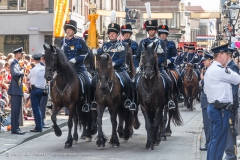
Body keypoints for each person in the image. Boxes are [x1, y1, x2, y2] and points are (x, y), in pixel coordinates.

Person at [204, 44, 240, 160]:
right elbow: (237, 79)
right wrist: (227, 68)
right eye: (226, 54)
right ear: (220, 55)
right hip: (220, 110)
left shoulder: (213, 69)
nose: (228, 57)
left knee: (216, 140)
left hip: (217, 108)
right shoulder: (219, 70)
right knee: (219, 140)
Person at [96, 21, 137, 111]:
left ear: (117, 34)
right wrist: (96, 52)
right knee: (93, 81)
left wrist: (114, 63)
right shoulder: (105, 45)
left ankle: (129, 100)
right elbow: (99, 56)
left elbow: (122, 58)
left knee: (129, 81)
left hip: (119, 69)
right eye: (110, 33)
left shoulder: (122, 45)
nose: (112, 35)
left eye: (113, 33)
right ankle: (93, 101)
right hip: (106, 70)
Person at [61, 20, 93, 112]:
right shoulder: (63, 41)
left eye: (70, 30)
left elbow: (86, 52)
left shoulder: (80, 41)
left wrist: (76, 59)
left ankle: (87, 102)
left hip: (78, 68)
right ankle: (56, 100)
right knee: (54, 81)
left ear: (74, 31)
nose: (68, 31)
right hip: (66, 69)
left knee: (88, 82)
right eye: (67, 29)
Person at [157, 25, 184, 103]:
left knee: (179, 76)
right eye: (161, 34)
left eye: (164, 34)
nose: (163, 35)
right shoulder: (155, 44)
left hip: (170, 66)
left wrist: (169, 61)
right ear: (159, 35)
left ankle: (180, 94)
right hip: (158, 66)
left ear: (167, 35)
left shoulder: (171, 44)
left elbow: (175, 55)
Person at [224, 48, 239, 160]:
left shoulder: (232, 66)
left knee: (230, 129)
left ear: (227, 55)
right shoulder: (228, 66)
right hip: (229, 103)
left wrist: (230, 102)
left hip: (231, 104)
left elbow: (234, 87)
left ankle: (231, 154)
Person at [7, 47, 25, 135]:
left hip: (17, 90)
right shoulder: (14, 63)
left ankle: (16, 128)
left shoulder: (17, 63)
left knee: (17, 110)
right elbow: (15, 74)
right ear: (18, 54)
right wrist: (22, 72)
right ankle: (15, 129)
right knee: (15, 110)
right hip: (15, 90)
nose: (22, 55)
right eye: (21, 54)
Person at [27, 53, 45, 132]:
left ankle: (38, 127)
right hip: (42, 90)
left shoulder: (33, 69)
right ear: (40, 59)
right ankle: (40, 124)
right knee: (39, 108)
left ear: (34, 60)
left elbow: (28, 79)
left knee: (36, 109)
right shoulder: (44, 68)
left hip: (34, 90)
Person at [199, 52, 213, 151]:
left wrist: (202, 80)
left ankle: (209, 143)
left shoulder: (210, 70)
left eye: (205, 60)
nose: (204, 62)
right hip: (205, 100)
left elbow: (205, 83)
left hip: (208, 100)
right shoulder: (206, 69)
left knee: (208, 124)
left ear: (210, 60)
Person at [39, 53, 50, 129]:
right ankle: (41, 122)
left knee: (43, 106)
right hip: (43, 88)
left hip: (44, 88)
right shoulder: (42, 67)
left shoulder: (43, 66)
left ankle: (41, 121)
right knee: (42, 106)